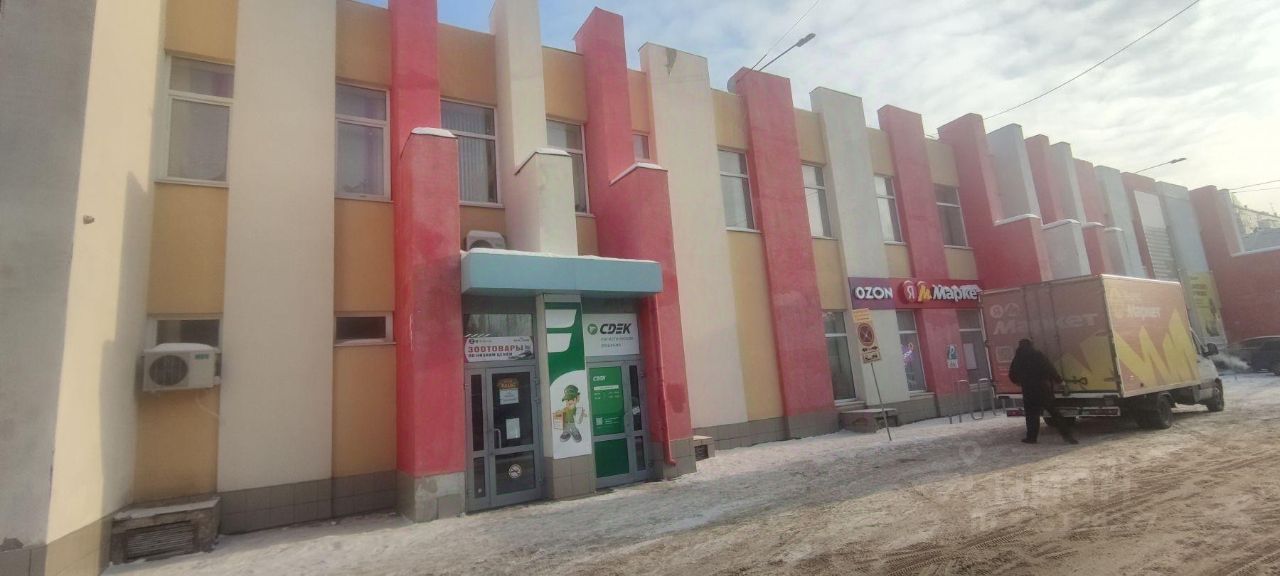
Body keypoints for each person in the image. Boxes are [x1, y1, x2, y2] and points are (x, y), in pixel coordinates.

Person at [1008, 339, 1078, 445]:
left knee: (1031, 415)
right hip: (1042, 388)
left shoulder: (1018, 358)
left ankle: (1031, 438)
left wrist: (1019, 382)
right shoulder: (1038, 355)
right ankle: (1068, 437)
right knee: (1054, 413)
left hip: (1028, 390)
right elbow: (1050, 368)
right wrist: (1060, 381)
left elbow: (1012, 374)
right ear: (1031, 345)